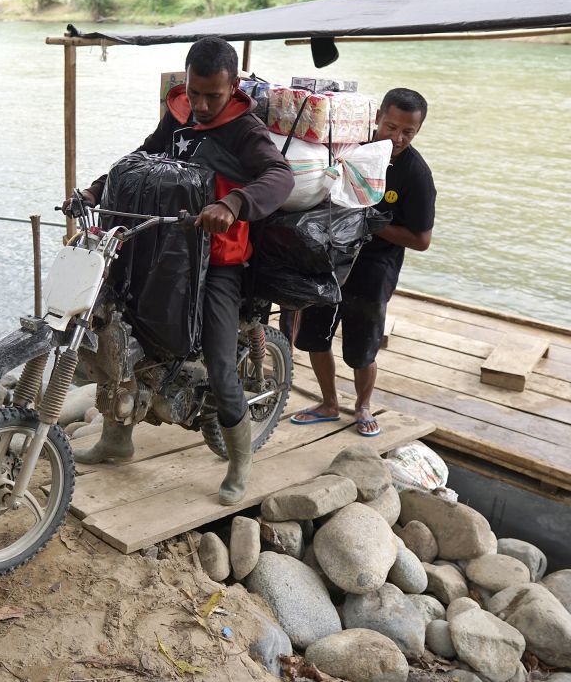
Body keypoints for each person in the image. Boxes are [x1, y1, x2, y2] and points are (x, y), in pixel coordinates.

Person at [69, 36, 292, 505]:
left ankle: (239, 462)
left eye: (214, 95)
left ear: (232, 87)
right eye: (195, 92)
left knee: (218, 359)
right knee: (117, 327)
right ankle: (117, 439)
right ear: (186, 82)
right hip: (163, 244)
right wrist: (94, 191)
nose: (203, 105)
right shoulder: (178, 113)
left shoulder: (246, 131)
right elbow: (142, 159)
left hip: (217, 262)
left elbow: (279, 177)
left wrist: (234, 202)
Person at [288, 87, 436, 437]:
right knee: (314, 336)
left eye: (407, 132)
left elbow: (422, 240)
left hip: (374, 268)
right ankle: (328, 402)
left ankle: (362, 406)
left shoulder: (417, 175)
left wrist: (372, 221)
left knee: (362, 348)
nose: (396, 137)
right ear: (377, 119)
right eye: (390, 127)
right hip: (329, 257)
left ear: (417, 132)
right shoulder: (349, 149)